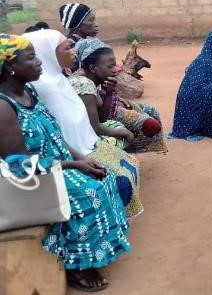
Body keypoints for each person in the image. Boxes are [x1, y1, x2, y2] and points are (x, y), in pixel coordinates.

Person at [0, 33, 130, 292]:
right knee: (87, 192)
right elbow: (19, 165)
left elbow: (55, 137)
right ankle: (76, 265)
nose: (39, 62)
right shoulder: (4, 107)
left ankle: (92, 252)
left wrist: (82, 159)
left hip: (57, 166)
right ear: (11, 67)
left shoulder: (30, 91)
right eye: (31, 58)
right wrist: (72, 166)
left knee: (105, 177)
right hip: (30, 181)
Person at [23, 29, 142, 218]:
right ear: (48, 53)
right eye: (67, 48)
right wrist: (77, 160)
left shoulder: (58, 79)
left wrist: (109, 93)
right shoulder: (42, 87)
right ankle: (111, 219)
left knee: (128, 162)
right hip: (66, 154)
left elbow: (89, 120)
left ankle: (116, 218)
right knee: (117, 177)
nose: (73, 52)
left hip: (81, 145)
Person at [70, 38, 167, 153]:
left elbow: (102, 117)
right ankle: (122, 159)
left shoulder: (94, 81)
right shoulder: (84, 84)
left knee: (151, 114)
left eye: (114, 65)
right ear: (93, 68)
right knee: (139, 128)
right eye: (109, 66)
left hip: (93, 127)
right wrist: (123, 132)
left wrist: (110, 91)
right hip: (80, 137)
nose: (115, 70)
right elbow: (95, 127)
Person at [59, 3, 98, 76]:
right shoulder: (73, 46)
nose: (96, 24)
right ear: (78, 25)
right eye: (91, 20)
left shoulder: (73, 41)